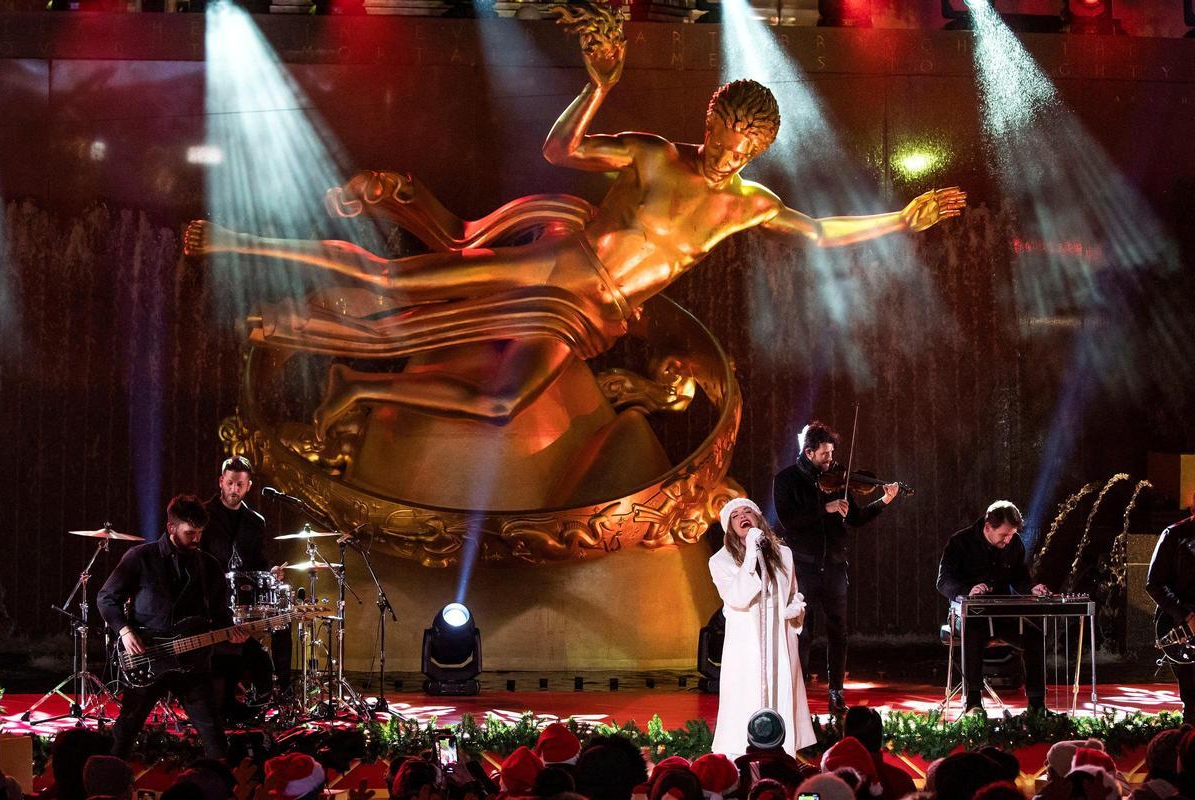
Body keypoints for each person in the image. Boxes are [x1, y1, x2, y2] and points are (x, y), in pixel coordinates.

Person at [181, 2, 965, 440]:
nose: (732, 150)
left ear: (763, 148)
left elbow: (821, 234)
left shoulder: (749, 204)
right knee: (395, 279)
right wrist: (597, 87)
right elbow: (562, 150)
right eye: (727, 131)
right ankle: (235, 240)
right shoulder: (657, 155)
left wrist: (902, 218)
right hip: (564, 262)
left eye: (749, 143)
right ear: (712, 118)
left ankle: (355, 389)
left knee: (498, 404)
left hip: (596, 314)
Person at [96, 495, 249, 759]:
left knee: (213, 732)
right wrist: (124, 630)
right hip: (147, 656)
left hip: (193, 662)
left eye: (200, 533)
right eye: (190, 533)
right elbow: (106, 598)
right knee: (127, 729)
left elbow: (220, 615)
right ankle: (108, 779)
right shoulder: (141, 557)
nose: (196, 539)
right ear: (171, 528)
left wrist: (232, 635)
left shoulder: (209, 566)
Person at [773, 421, 901, 714]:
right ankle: (798, 693)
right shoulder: (786, 480)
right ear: (808, 452)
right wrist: (824, 508)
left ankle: (835, 693)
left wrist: (884, 501)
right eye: (825, 455)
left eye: (832, 454)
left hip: (834, 566)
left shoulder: (838, 480)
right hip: (803, 567)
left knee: (838, 631)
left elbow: (854, 519)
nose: (831, 461)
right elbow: (789, 521)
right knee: (801, 632)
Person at [709, 497, 815, 758]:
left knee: (780, 687)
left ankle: (784, 748)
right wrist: (749, 555)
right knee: (748, 691)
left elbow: (793, 593)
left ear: (758, 519)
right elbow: (737, 597)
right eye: (736, 515)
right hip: (747, 640)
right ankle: (742, 751)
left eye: (748, 512)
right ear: (730, 527)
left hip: (779, 635)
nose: (743, 516)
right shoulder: (720, 561)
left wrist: (795, 609)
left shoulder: (784, 553)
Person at [936, 500, 1051, 716]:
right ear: (988, 527)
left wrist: (1032, 588)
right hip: (967, 617)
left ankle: (1037, 705)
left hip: (1001, 615)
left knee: (1035, 636)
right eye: (1004, 535)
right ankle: (973, 703)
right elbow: (943, 582)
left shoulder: (1013, 543)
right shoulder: (960, 542)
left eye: (1011, 535)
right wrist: (968, 590)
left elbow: (1019, 575)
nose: (1008, 540)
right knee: (974, 633)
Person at [201, 455, 291, 719]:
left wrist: (271, 573)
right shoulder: (204, 515)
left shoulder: (255, 521)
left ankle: (279, 690)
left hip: (243, 602)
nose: (234, 489)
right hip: (211, 600)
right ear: (221, 481)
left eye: (240, 484)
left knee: (283, 621)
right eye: (230, 483)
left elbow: (258, 562)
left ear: (248, 485)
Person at [1146, 491, 1195, 726]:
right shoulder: (1174, 535)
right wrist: (1185, 616)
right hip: (1182, 627)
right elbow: (1154, 583)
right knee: (1193, 702)